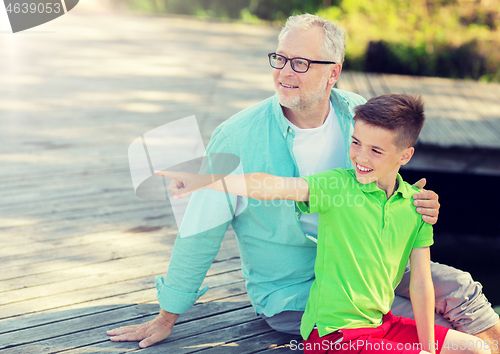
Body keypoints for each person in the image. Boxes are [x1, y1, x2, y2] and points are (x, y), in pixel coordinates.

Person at [107, 14, 500, 349]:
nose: (283, 72)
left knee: (461, 288)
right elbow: (200, 230)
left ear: (334, 72)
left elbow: (384, 177)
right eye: (279, 58)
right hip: (296, 289)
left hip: (368, 263)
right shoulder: (238, 136)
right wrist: (167, 316)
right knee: (429, 328)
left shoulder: (355, 112)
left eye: (299, 63)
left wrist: (416, 201)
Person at [157, 93, 491, 354]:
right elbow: (272, 185)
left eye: (376, 150)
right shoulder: (336, 186)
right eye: (355, 143)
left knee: (474, 347)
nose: (360, 157)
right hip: (335, 334)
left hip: (382, 324)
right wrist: (207, 179)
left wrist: (428, 347)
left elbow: (420, 285)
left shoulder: (414, 206)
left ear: (405, 156)